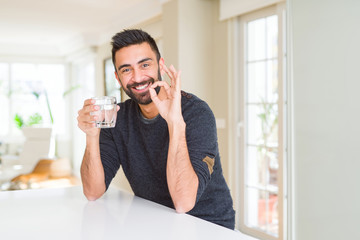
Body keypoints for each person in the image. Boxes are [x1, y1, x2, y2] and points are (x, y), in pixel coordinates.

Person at [77, 29, 235, 229]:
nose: (137, 77)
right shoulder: (117, 117)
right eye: (126, 70)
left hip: (210, 226)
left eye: (145, 65)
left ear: (160, 65)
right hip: (155, 222)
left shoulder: (196, 113)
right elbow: (92, 192)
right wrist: (92, 136)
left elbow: (183, 203)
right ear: (118, 78)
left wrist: (174, 122)